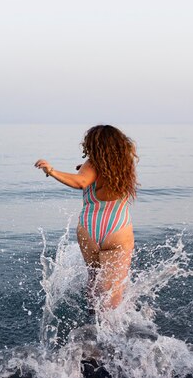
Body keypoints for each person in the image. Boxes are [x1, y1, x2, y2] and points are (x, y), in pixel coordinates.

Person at [34, 125, 138, 310]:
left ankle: (92, 319)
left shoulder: (91, 165)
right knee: (114, 289)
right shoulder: (126, 166)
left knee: (94, 278)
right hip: (117, 228)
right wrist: (54, 170)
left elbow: (82, 181)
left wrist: (54, 171)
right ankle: (112, 332)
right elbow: (83, 182)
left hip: (89, 229)